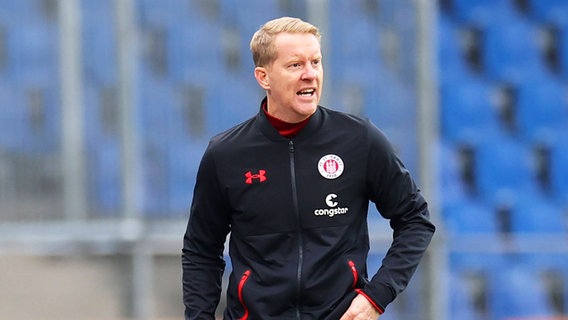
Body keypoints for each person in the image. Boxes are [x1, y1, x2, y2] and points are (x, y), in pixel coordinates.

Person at [182, 16, 435, 320]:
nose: (310, 75)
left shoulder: (359, 140)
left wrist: (376, 296)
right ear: (264, 77)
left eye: (316, 62)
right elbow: (201, 250)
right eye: (295, 65)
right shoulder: (226, 154)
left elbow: (415, 220)